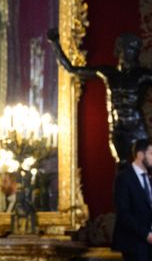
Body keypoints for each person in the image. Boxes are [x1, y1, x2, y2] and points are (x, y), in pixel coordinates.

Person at [48, 30, 152, 163]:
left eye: (133, 50)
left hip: (137, 127)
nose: (130, 53)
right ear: (120, 50)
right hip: (118, 129)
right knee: (122, 166)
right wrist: (55, 44)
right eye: (127, 49)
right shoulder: (108, 73)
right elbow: (72, 69)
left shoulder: (142, 75)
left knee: (146, 167)